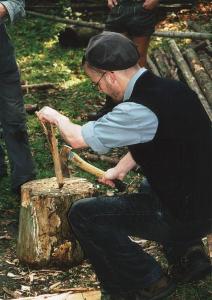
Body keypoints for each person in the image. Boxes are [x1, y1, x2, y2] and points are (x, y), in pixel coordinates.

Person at [37, 32, 212, 300]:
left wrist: (56, 116)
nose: (100, 89)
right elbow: (161, 137)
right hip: (202, 199)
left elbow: (76, 137)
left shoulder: (138, 109)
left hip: (188, 213)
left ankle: (145, 282)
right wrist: (120, 168)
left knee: (85, 215)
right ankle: (189, 254)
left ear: (110, 76)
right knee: (148, 183)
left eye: (96, 83)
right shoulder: (173, 89)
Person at [88, 0, 159, 121]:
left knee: (138, 57)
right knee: (110, 53)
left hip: (142, 7)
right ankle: (111, 106)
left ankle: (138, 104)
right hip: (119, 7)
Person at [0, 0, 36, 193]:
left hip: (1, 56)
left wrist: (3, 8)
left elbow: (17, 3)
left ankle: (24, 179)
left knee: (14, 117)